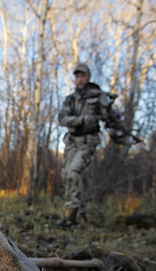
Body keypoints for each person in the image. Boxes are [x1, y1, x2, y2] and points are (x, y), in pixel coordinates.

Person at [55, 63, 105, 229]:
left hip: (88, 141)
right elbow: (62, 118)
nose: (80, 79)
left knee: (74, 172)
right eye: (77, 76)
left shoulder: (98, 96)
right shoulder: (71, 99)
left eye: (83, 75)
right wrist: (79, 120)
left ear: (88, 76)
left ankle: (72, 216)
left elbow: (110, 115)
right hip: (72, 141)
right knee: (66, 174)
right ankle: (81, 212)